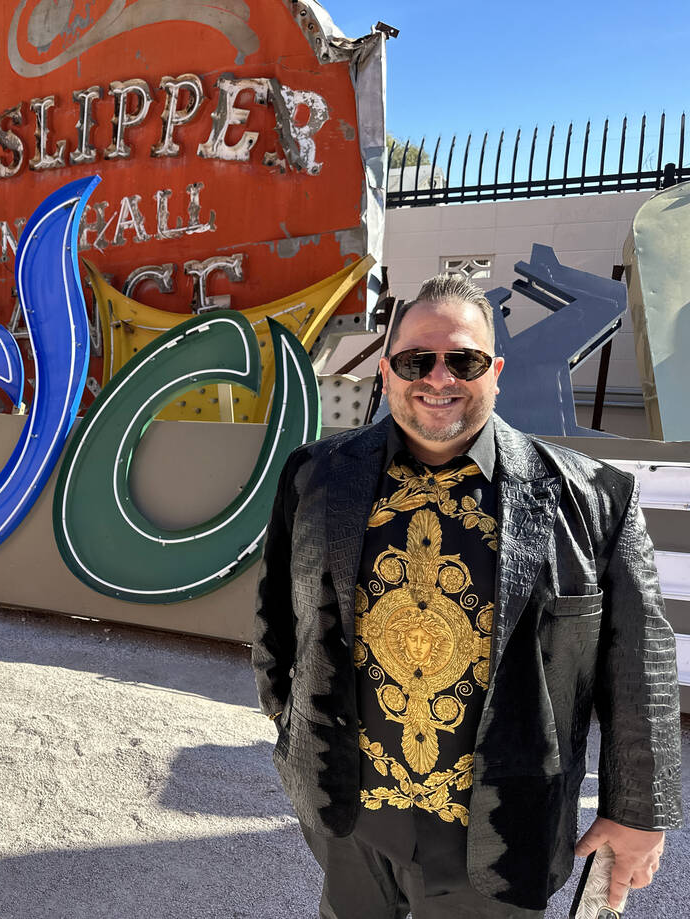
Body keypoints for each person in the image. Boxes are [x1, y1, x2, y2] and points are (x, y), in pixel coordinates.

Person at [252, 274, 681, 917]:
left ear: (496, 369)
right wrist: (291, 729)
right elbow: (276, 624)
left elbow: (639, 669)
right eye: (416, 360)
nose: (439, 377)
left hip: (501, 834)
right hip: (350, 821)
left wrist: (640, 813)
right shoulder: (316, 475)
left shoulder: (595, 500)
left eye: (464, 360)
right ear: (391, 370)